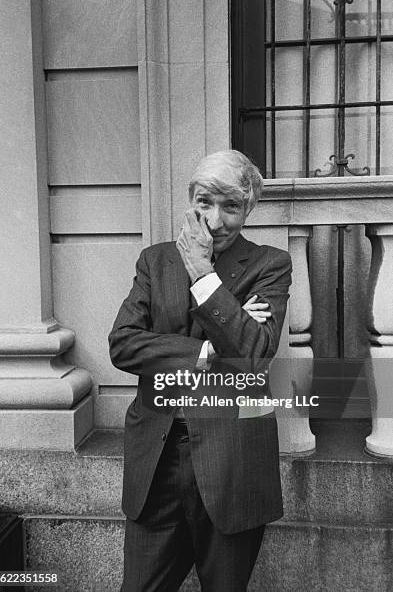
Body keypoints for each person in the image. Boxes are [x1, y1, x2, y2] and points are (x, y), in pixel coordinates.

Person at [109, 149, 292, 591]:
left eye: (231, 206)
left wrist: (203, 273)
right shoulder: (154, 261)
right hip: (157, 461)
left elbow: (252, 355)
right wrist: (209, 350)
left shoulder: (270, 264)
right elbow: (123, 343)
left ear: (248, 209)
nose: (214, 220)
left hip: (232, 463)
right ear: (192, 200)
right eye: (205, 202)